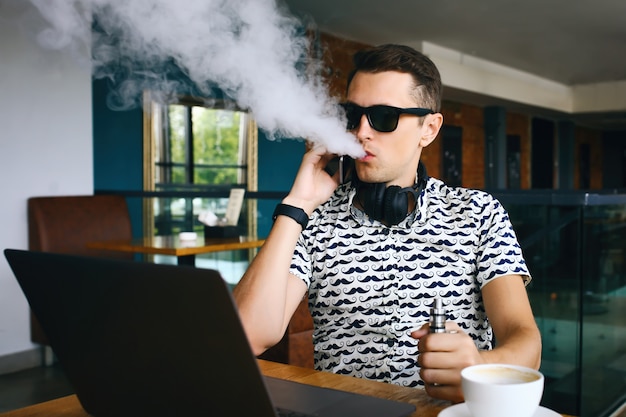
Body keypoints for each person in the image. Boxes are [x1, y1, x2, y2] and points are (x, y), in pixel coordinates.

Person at [233, 44, 541, 403]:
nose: (362, 132)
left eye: (383, 117)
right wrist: (298, 204)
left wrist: (479, 367)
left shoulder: (479, 213)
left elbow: (525, 341)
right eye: (352, 115)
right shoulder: (314, 216)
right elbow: (248, 334)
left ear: (429, 128)